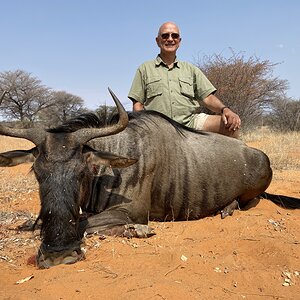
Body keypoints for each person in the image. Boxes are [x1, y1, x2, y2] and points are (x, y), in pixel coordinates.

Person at [128, 21, 241, 138]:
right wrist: (145, 127)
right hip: (157, 127)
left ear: (179, 42)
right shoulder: (144, 69)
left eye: (174, 36)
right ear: (157, 41)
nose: (170, 39)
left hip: (190, 123)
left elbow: (207, 97)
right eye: (165, 35)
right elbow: (138, 105)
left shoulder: (191, 69)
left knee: (231, 126)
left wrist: (225, 110)